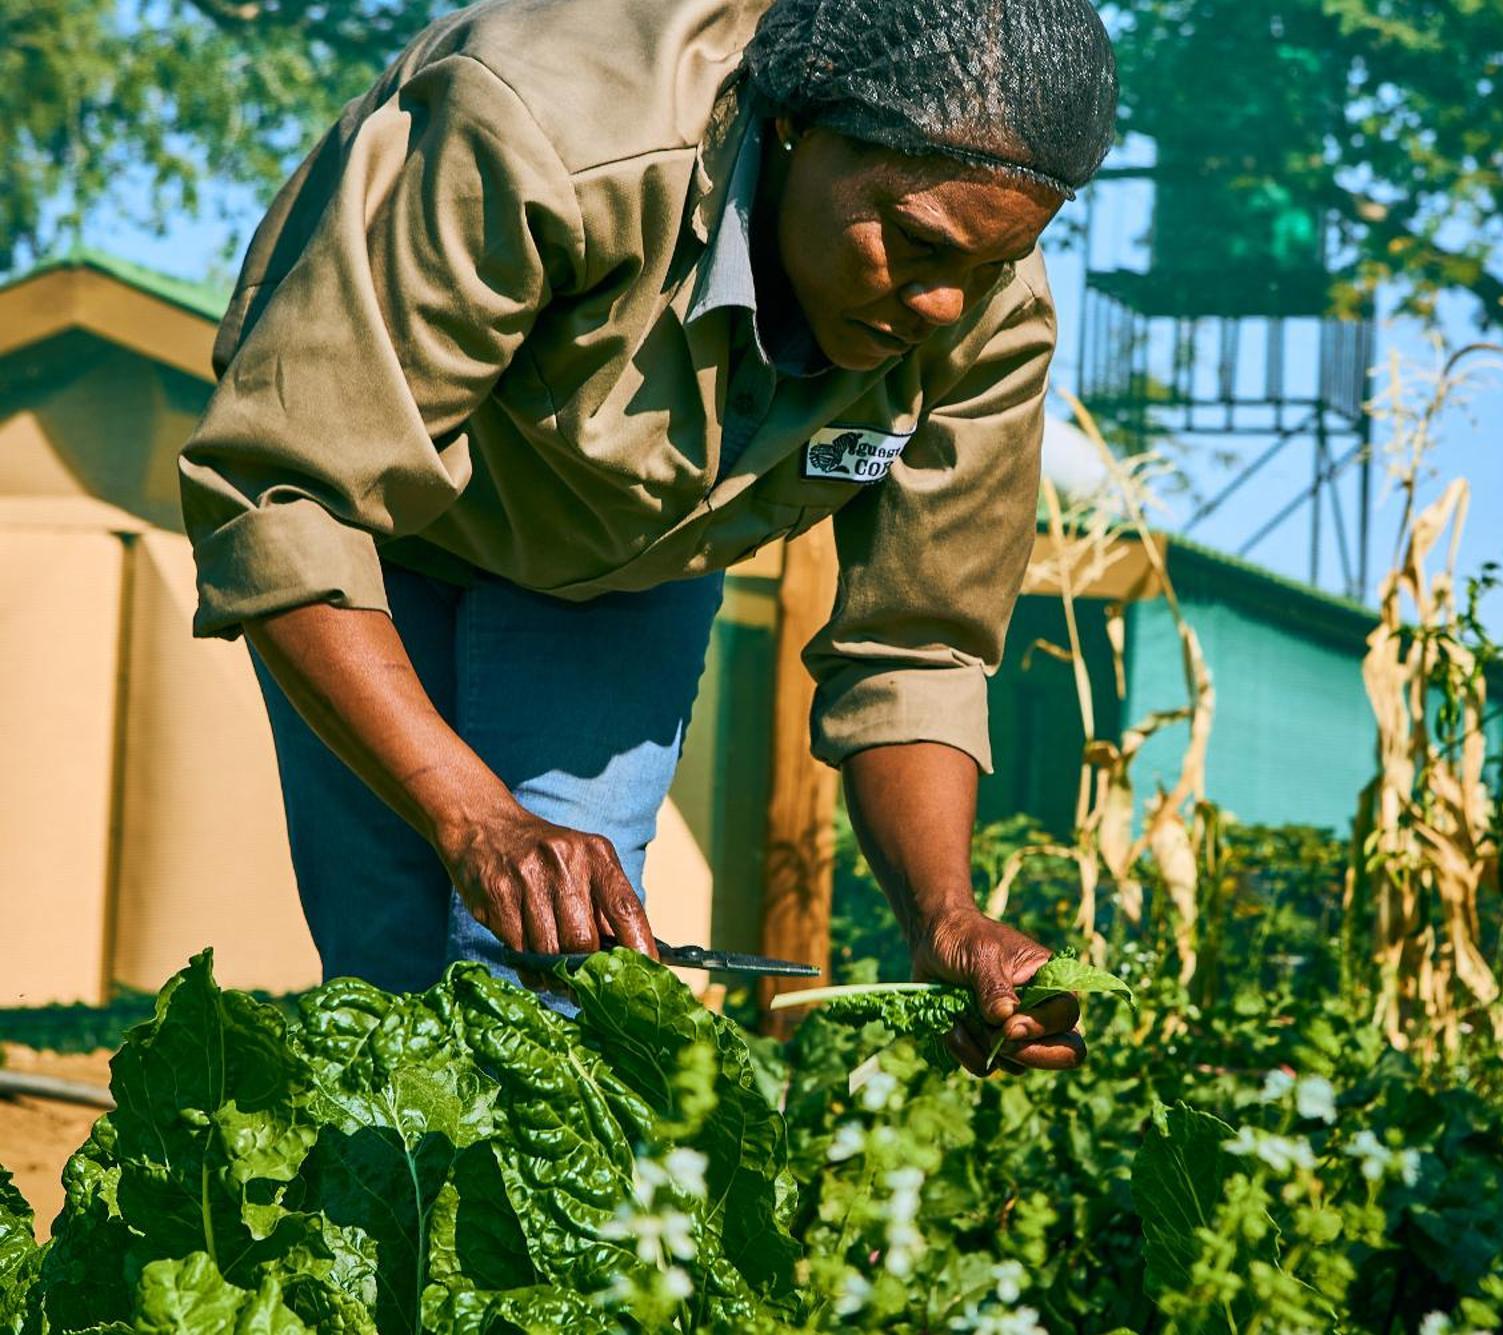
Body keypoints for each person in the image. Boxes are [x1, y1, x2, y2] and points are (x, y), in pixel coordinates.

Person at [176, 0, 1119, 1076]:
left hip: (621, 574)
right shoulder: (544, 131)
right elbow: (286, 495)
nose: (944, 303)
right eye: (913, 245)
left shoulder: (980, 301)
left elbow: (917, 646)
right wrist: (474, 814)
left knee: (548, 995)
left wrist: (945, 917)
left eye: (993, 264)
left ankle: (505, 1245)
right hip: (365, 527)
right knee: (388, 977)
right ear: (795, 129)